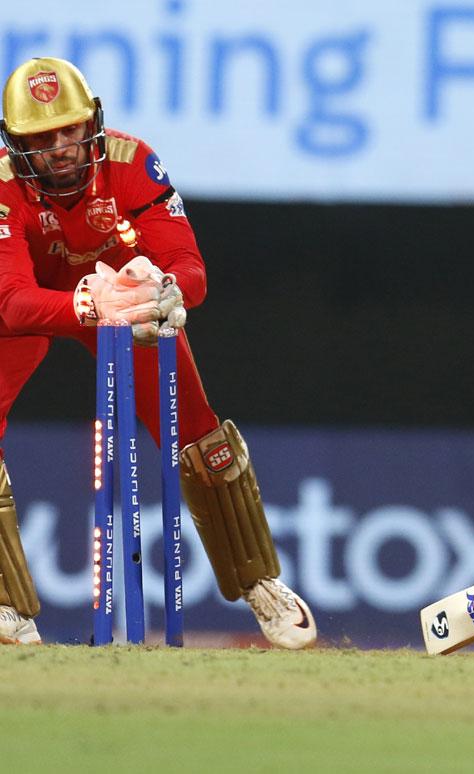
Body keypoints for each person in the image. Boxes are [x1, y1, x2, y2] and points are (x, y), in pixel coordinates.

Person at [0, 57, 316, 648]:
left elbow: (190, 269)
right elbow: (15, 303)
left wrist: (166, 293)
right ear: (15, 143)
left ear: (92, 121)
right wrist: (88, 306)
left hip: (121, 303)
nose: (62, 147)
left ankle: (260, 583)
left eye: (71, 129)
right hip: (22, 314)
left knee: (201, 440)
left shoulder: (132, 162)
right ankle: (3, 607)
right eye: (42, 138)